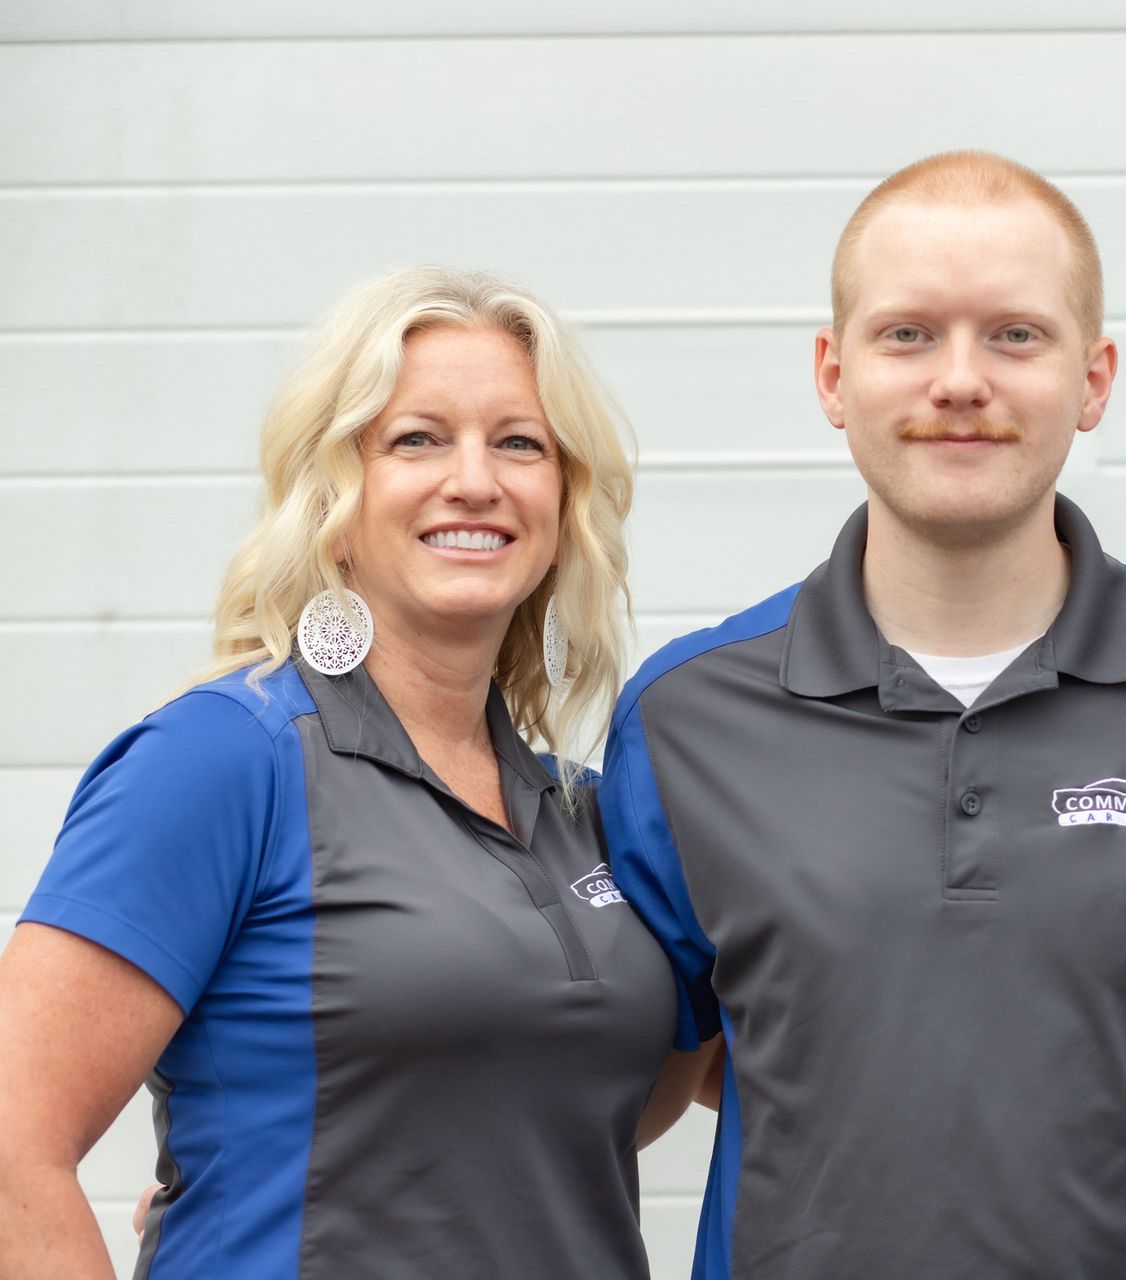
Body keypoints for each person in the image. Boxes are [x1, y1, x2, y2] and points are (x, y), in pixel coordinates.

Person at [599, 151, 1126, 1278]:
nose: (958, 380)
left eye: (1015, 335)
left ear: (1094, 379)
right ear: (833, 375)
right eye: (907, 334)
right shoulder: (686, 717)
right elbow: (667, 1064)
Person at [0, 266, 715, 1279]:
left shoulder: (583, 807)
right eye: (417, 439)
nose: (475, 480)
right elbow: (13, 1148)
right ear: (334, 493)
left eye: (520, 442)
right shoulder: (224, 758)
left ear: (564, 499)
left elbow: (585, 1107)